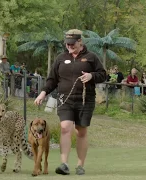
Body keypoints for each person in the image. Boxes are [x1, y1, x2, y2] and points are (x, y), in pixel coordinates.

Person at [34, 29, 106, 175]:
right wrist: (43, 93)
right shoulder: (61, 58)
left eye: (73, 44)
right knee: (65, 127)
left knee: (81, 131)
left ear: (80, 42)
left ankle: (80, 165)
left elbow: (103, 75)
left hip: (85, 100)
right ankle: (64, 164)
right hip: (64, 99)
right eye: (67, 44)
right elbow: (52, 79)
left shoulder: (91, 57)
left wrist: (92, 76)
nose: (70, 46)